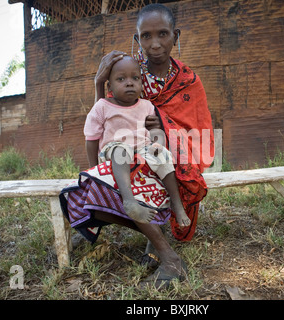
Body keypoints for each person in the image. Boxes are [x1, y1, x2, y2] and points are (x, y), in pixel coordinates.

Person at [60, 3, 214, 288]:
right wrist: (98, 83)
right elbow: (103, 116)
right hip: (127, 156)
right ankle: (161, 246)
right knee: (96, 193)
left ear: (175, 36)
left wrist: (164, 129)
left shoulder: (188, 82)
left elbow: (198, 132)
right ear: (137, 39)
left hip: (168, 159)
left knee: (148, 171)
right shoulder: (127, 72)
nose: (154, 44)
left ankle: (163, 251)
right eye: (146, 36)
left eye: (163, 34)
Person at [83, 55, 191, 227]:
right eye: (121, 79)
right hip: (113, 150)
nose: (129, 83)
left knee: (163, 155)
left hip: (143, 148)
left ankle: (176, 204)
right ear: (109, 86)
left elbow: (154, 129)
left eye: (135, 78)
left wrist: (158, 144)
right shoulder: (102, 106)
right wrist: (93, 168)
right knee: (122, 151)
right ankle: (129, 201)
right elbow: (91, 138)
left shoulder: (146, 105)